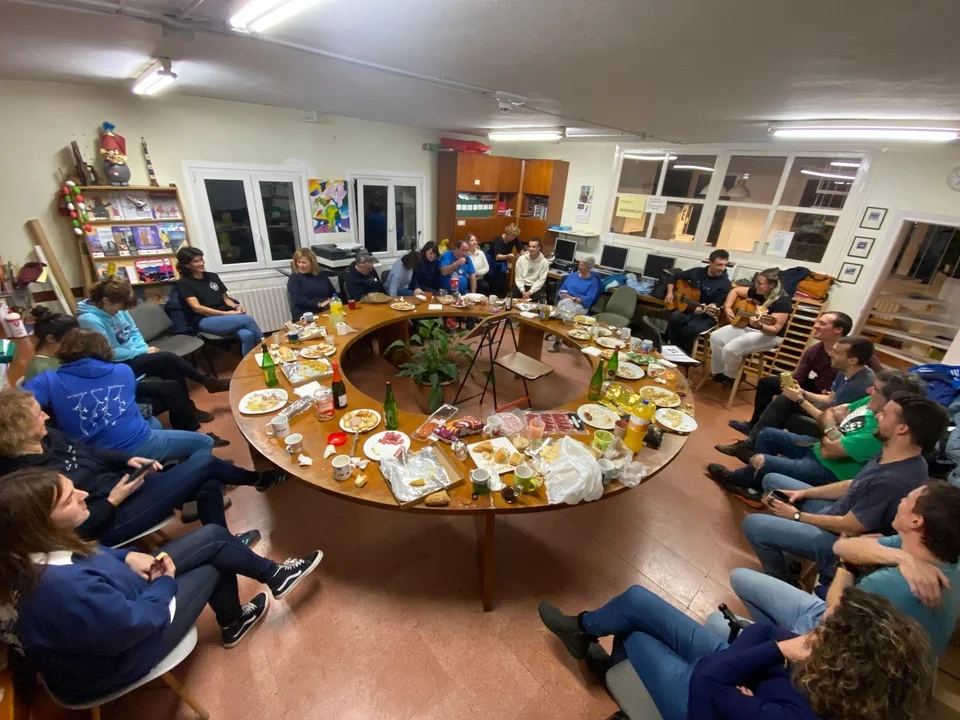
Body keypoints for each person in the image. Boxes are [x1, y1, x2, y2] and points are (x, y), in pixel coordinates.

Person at [0, 470, 323, 706]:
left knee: (213, 536)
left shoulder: (31, 550)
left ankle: (267, 583)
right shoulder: (62, 589)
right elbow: (137, 623)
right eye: (70, 498)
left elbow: (91, 553)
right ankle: (237, 617)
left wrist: (127, 557)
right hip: (122, 655)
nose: (84, 494)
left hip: (122, 599)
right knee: (213, 564)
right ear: (40, 524)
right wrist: (164, 583)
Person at [538, 586, 932, 720]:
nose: (815, 631)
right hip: (733, 670)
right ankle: (581, 629)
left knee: (638, 634)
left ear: (842, 658)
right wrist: (760, 662)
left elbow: (707, 682)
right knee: (638, 600)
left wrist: (778, 650)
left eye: (823, 630)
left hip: (700, 703)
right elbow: (761, 630)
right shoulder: (830, 668)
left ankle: (615, 672)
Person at [706, 481, 960, 658]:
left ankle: (774, 655)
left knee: (716, 622)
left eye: (907, 499)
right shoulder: (939, 556)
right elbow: (845, 546)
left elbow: (832, 612)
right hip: (839, 622)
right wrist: (900, 557)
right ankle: (773, 637)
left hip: (831, 649)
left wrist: (847, 566)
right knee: (740, 577)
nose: (901, 500)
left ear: (916, 521)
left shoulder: (892, 584)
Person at [0, 390, 284, 546]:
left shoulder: (48, 437)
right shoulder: (25, 480)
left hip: (125, 487)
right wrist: (113, 500)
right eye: (37, 413)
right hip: (109, 519)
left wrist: (127, 460)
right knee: (205, 463)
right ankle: (259, 479)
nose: (46, 415)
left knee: (208, 483)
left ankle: (224, 541)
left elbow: (92, 453)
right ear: (18, 428)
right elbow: (70, 531)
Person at [742, 391, 950, 595]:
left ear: (902, 429)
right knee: (772, 481)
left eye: (885, 415)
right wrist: (804, 493)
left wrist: (796, 515)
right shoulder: (895, 452)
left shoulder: (895, 480)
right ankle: (793, 555)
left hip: (842, 541)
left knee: (753, 525)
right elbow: (854, 484)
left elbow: (851, 525)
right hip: (837, 512)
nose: (877, 415)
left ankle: (784, 580)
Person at [709, 370, 924, 506]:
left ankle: (738, 480)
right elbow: (830, 412)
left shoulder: (880, 431)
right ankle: (754, 488)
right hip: (818, 448)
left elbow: (830, 448)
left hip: (828, 470)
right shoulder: (869, 403)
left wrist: (830, 427)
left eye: (875, 389)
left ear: (890, 400)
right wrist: (833, 429)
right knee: (767, 435)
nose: (868, 390)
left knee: (764, 461)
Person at [24, 330, 214, 462]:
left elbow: (18, 408)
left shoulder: (46, 380)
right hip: (132, 446)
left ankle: (162, 464)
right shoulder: (122, 371)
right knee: (204, 442)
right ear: (103, 349)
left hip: (87, 453)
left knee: (154, 423)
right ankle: (192, 482)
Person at [718, 336, 878, 463]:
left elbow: (833, 423)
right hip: (829, 417)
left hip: (835, 432)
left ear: (852, 360)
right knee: (786, 399)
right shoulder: (845, 370)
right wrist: (802, 392)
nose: (830, 354)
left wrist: (801, 400)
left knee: (789, 415)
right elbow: (830, 399)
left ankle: (754, 448)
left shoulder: (860, 386)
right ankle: (753, 446)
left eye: (836, 352)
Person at [728, 311, 879, 437]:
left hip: (838, 402)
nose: (815, 326)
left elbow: (880, 381)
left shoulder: (859, 358)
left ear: (838, 330)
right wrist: (794, 387)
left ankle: (765, 434)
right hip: (819, 389)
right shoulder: (815, 351)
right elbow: (799, 377)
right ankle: (755, 427)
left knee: (788, 403)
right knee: (768, 384)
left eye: (822, 323)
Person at [77, 276, 230, 395]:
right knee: (168, 357)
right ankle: (208, 381)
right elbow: (109, 353)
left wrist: (143, 349)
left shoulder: (117, 310)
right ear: (106, 300)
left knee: (171, 370)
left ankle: (188, 412)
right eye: (120, 307)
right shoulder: (90, 320)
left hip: (135, 353)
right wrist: (142, 351)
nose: (122, 311)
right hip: (118, 363)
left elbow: (134, 331)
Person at [708, 269, 793, 386]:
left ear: (772, 285)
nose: (755, 285)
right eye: (756, 282)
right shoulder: (759, 291)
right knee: (716, 336)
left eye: (759, 283)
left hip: (770, 335)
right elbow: (735, 291)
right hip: (750, 327)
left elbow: (775, 329)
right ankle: (719, 372)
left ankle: (732, 376)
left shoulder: (783, 302)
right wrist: (727, 307)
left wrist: (760, 325)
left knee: (730, 349)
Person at [175, 248, 264, 356]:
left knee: (247, 334)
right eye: (196, 261)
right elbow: (197, 308)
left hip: (224, 316)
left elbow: (226, 299)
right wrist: (227, 314)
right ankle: (269, 350)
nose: (201, 263)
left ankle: (250, 364)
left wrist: (236, 307)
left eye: (201, 259)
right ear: (187, 265)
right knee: (247, 319)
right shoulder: (183, 283)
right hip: (205, 320)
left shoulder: (212, 276)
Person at [664, 250, 731, 354]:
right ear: (710, 262)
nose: (722, 268)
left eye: (725, 265)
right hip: (688, 309)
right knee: (674, 319)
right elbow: (675, 277)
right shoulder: (697, 272)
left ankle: (684, 355)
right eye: (719, 265)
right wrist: (670, 293)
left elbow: (717, 302)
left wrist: (708, 307)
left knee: (689, 330)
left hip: (706, 315)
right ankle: (673, 349)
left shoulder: (725, 283)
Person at [549, 257, 603, 353]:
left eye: (581, 265)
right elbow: (563, 288)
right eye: (579, 264)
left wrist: (572, 298)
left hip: (581, 306)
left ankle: (558, 338)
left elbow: (588, 299)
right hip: (566, 302)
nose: (578, 266)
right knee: (565, 305)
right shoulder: (573, 276)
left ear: (588, 268)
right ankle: (560, 337)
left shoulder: (593, 282)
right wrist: (562, 294)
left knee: (563, 309)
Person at [24, 307, 79, 381]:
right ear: (50, 338)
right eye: (72, 337)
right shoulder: (39, 370)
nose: (77, 340)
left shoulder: (62, 355)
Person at [286, 248, 334, 320]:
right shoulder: (294, 278)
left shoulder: (322, 275)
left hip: (325, 310)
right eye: (298, 262)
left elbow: (333, 292)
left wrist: (332, 300)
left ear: (312, 262)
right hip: (305, 313)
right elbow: (298, 300)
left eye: (304, 262)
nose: (300, 265)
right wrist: (319, 305)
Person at [488, 223, 522, 296]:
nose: (513, 238)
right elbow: (497, 256)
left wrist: (522, 255)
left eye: (515, 236)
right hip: (493, 263)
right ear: (507, 233)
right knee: (495, 285)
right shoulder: (498, 240)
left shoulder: (514, 239)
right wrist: (508, 256)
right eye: (512, 235)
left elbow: (521, 249)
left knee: (503, 284)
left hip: (503, 263)